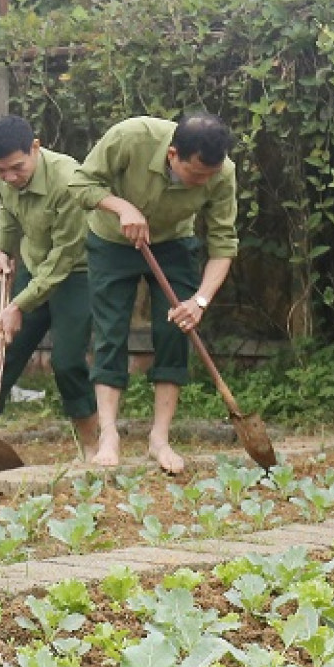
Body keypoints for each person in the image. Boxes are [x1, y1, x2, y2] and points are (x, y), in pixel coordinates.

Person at [69, 113, 239, 474]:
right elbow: (81, 184)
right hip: (112, 240)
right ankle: (109, 435)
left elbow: (224, 245)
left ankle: (159, 439)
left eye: (209, 177)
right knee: (110, 332)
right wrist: (122, 206)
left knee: (175, 330)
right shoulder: (131, 137)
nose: (202, 184)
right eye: (196, 175)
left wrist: (200, 301)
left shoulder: (222, 173)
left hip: (173, 243)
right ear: (173, 154)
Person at [0, 115, 97, 467]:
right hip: (34, 266)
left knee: (66, 362)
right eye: (1, 171)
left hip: (77, 273)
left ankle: (92, 445)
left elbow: (64, 257)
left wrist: (19, 303)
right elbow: (9, 214)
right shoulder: (1, 174)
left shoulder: (68, 180)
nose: (10, 178)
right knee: (4, 350)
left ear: (35, 146)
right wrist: (3, 248)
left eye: (17, 168)